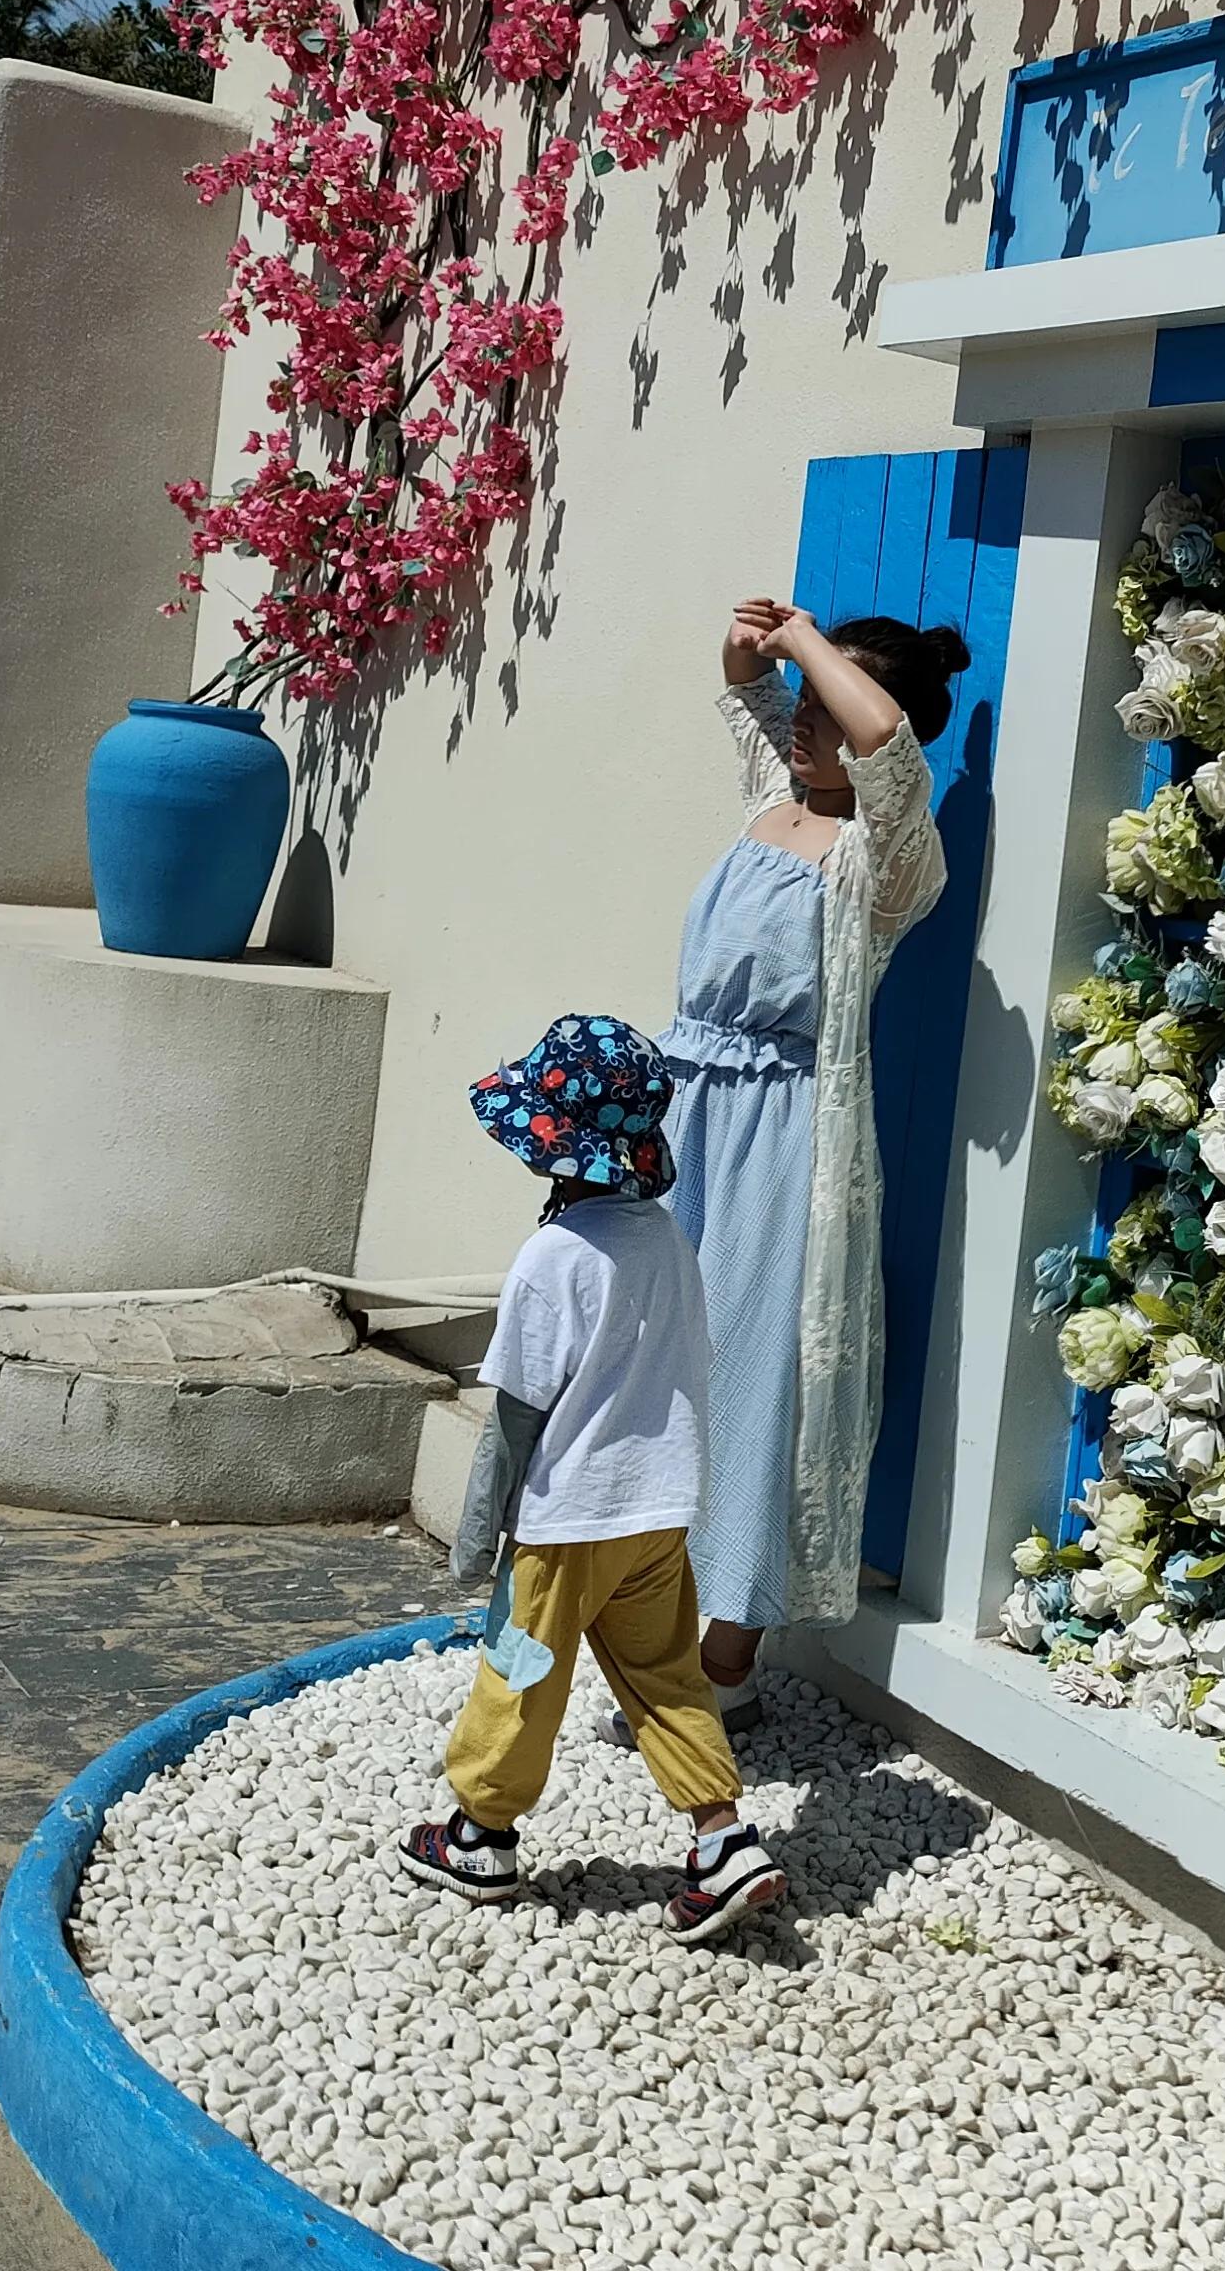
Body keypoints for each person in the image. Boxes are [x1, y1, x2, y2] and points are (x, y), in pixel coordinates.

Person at [406, 1013, 793, 1945]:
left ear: (554, 1147)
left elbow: (514, 1416)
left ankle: (480, 1832)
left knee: (523, 1670)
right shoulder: (664, 1240)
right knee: (665, 1678)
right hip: (658, 1517)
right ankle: (722, 1838)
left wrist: (475, 1539)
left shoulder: (554, 1257)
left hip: (567, 1524)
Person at [663, 600, 964, 1693]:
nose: (803, 729)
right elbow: (739, 678)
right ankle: (634, 1611)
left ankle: (726, 1657)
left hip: (785, 1133)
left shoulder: (886, 857)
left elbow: (885, 746)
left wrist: (807, 644)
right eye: (801, 713)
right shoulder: (765, 803)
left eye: (819, 712)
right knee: (653, 1358)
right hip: (682, 1110)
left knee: (754, 1373)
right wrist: (765, 644)